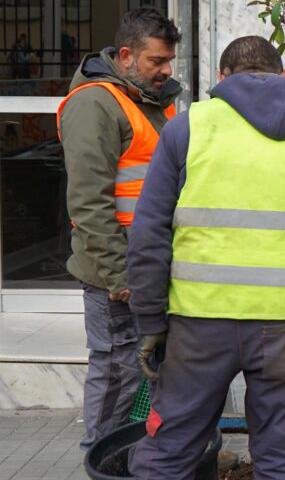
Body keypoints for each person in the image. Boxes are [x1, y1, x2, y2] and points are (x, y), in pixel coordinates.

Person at [125, 36, 285, 478]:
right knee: (282, 456)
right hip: (282, 327)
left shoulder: (188, 127)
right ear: (283, 75)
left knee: (170, 450)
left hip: (198, 324)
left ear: (221, 79)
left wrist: (150, 321)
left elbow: (148, 234)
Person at [56, 7, 181, 452]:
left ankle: (134, 457)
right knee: (116, 373)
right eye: (157, 62)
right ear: (126, 56)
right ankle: (101, 459)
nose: (166, 70)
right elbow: (89, 204)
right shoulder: (95, 104)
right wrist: (120, 277)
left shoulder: (145, 99)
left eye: (170, 61)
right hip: (117, 277)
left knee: (140, 374)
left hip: (145, 266)